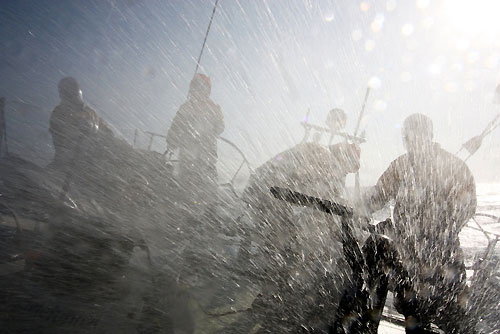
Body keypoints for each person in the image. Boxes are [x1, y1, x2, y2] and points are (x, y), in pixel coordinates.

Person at [359, 113, 477, 333]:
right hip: (415, 255)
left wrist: (438, 233)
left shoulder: (448, 165)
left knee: (450, 315)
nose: (412, 140)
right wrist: (357, 207)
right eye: (409, 137)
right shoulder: (402, 166)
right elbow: (377, 196)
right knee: (418, 312)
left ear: (428, 135)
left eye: (416, 135)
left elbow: (467, 205)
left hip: (439, 254)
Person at [166, 74, 224, 205]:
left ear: (208, 90)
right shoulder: (185, 108)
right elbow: (175, 128)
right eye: (197, 86)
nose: (199, 90)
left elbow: (220, 128)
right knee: (186, 193)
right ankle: (187, 216)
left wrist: (217, 118)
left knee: (209, 195)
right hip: (188, 159)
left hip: (207, 159)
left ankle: (208, 215)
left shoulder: (213, 108)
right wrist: (171, 141)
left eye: (203, 87)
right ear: (192, 89)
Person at [49, 77, 112, 168]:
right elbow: (58, 136)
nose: (71, 93)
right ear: (62, 94)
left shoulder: (90, 112)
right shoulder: (59, 112)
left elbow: (108, 133)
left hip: (92, 163)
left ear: (79, 91)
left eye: (74, 89)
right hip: (67, 164)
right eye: (66, 91)